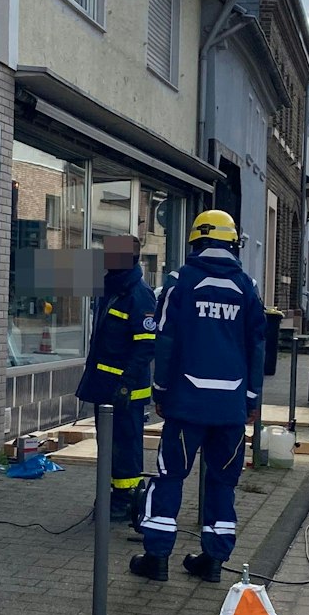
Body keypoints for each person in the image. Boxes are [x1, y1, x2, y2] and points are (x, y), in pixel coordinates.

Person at [131, 210, 265, 583]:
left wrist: (160, 391)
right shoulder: (247, 287)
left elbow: (166, 340)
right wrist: (251, 401)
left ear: (196, 241)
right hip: (231, 407)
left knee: (170, 476)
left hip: (186, 404)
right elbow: (257, 347)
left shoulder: (180, 281)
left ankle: (157, 558)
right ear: (232, 243)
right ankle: (214, 562)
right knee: (223, 482)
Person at [76, 235, 158, 522]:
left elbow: (146, 344)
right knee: (109, 448)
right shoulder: (110, 289)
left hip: (126, 391)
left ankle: (126, 501)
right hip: (105, 388)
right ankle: (114, 496)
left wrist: (125, 383)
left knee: (126, 449)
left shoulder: (139, 294)